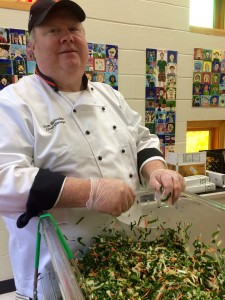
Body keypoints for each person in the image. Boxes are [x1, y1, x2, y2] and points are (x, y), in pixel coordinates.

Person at [0, 1, 185, 299]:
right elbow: (4, 178)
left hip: (128, 254)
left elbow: (141, 139)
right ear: (31, 49)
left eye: (74, 29)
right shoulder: (13, 103)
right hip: (59, 268)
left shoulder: (110, 95)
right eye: (53, 30)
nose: (67, 36)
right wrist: (90, 192)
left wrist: (157, 170)